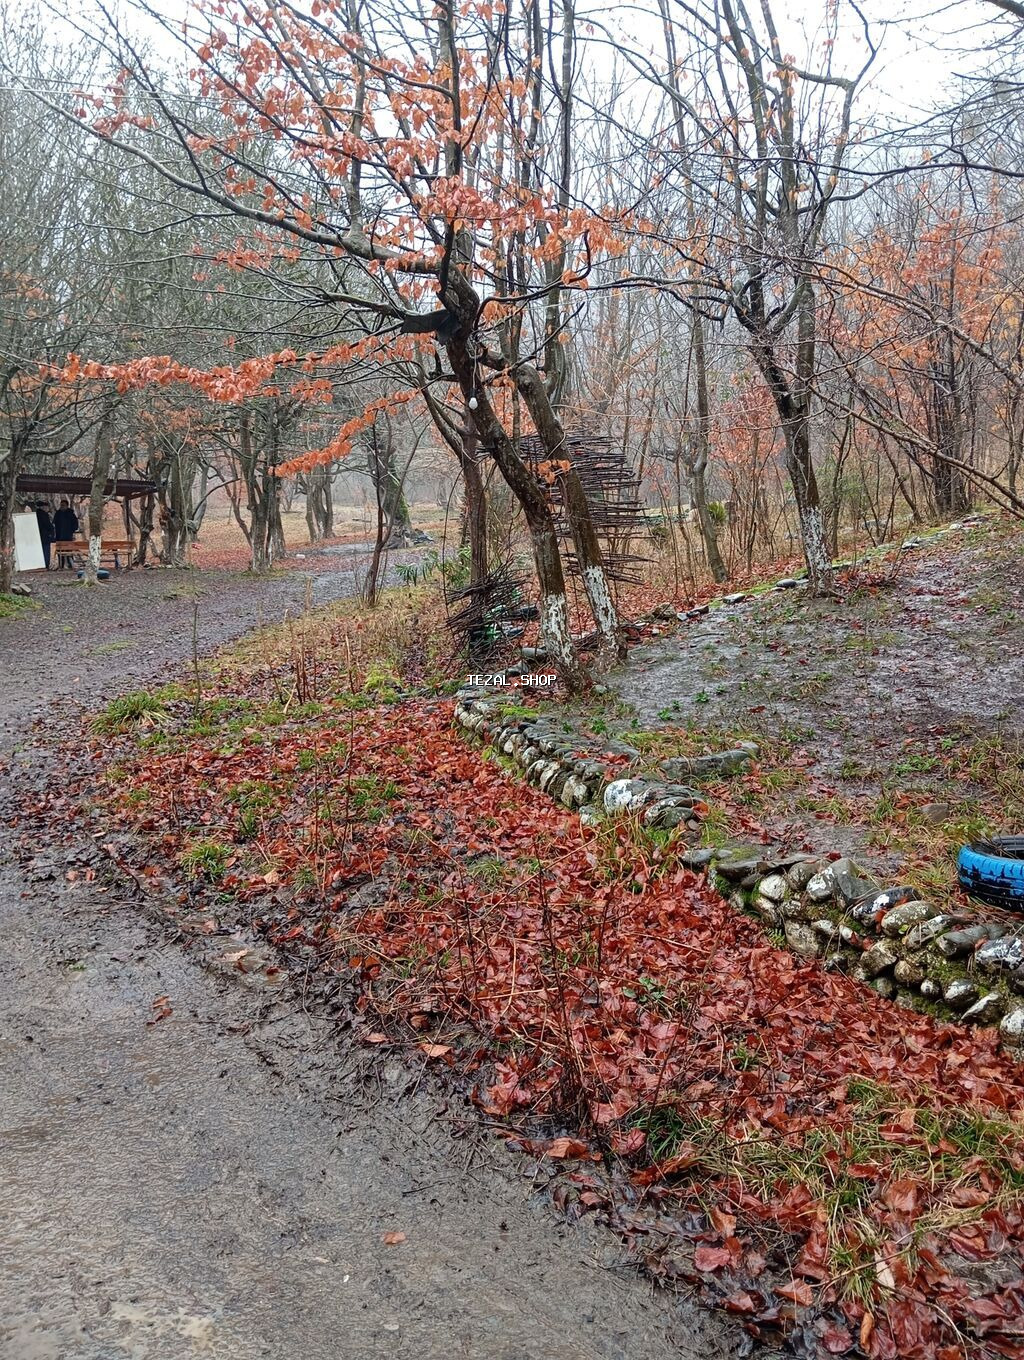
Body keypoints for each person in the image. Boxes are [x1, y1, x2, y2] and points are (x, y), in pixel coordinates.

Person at [53, 499, 79, 567]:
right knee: (60, 551)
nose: (62, 507)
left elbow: (75, 524)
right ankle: (61, 564)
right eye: (61, 505)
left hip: (68, 536)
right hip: (59, 535)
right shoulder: (58, 513)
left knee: (68, 551)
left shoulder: (71, 514)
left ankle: (70, 564)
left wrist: (72, 530)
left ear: (67, 506)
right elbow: (54, 523)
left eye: (63, 505)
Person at [34, 502, 55, 570]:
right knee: (46, 550)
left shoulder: (36, 514)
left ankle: (41, 564)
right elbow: (47, 525)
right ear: (43, 507)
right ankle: (46, 564)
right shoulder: (43, 515)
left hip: (39, 536)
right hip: (45, 536)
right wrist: (52, 530)